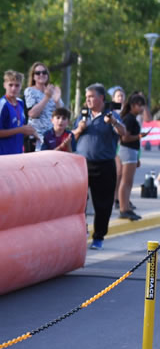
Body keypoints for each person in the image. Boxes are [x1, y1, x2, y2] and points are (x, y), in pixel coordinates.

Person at [72, 83, 127, 250]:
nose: (88, 100)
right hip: (82, 165)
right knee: (78, 203)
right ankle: (81, 233)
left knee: (102, 204)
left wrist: (113, 123)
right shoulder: (83, 115)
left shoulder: (110, 116)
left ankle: (99, 237)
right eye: (86, 97)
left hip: (104, 165)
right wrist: (79, 129)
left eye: (91, 96)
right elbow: (72, 136)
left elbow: (123, 132)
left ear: (101, 98)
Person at [116, 93, 147, 221]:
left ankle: (126, 206)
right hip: (127, 150)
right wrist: (139, 136)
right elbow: (125, 137)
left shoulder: (131, 118)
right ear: (133, 105)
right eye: (140, 105)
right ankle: (124, 208)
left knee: (127, 181)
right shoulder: (130, 119)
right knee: (126, 181)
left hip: (131, 151)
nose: (142, 108)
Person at [0, 70, 37, 155]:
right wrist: (20, 130)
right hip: (3, 155)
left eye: (17, 85)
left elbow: (18, 126)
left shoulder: (20, 103)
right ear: (4, 85)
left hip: (18, 153)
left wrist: (29, 131)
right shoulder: (2, 104)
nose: (13, 88)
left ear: (21, 86)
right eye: (10, 85)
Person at [24, 61, 63, 152]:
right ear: (33, 76)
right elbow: (32, 114)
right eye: (38, 73)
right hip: (36, 139)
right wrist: (47, 97)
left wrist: (57, 101)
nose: (41, 74)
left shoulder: (52, 89)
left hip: (53, 137)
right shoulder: (30, 91)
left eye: (44, 72)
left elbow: (62, 114)